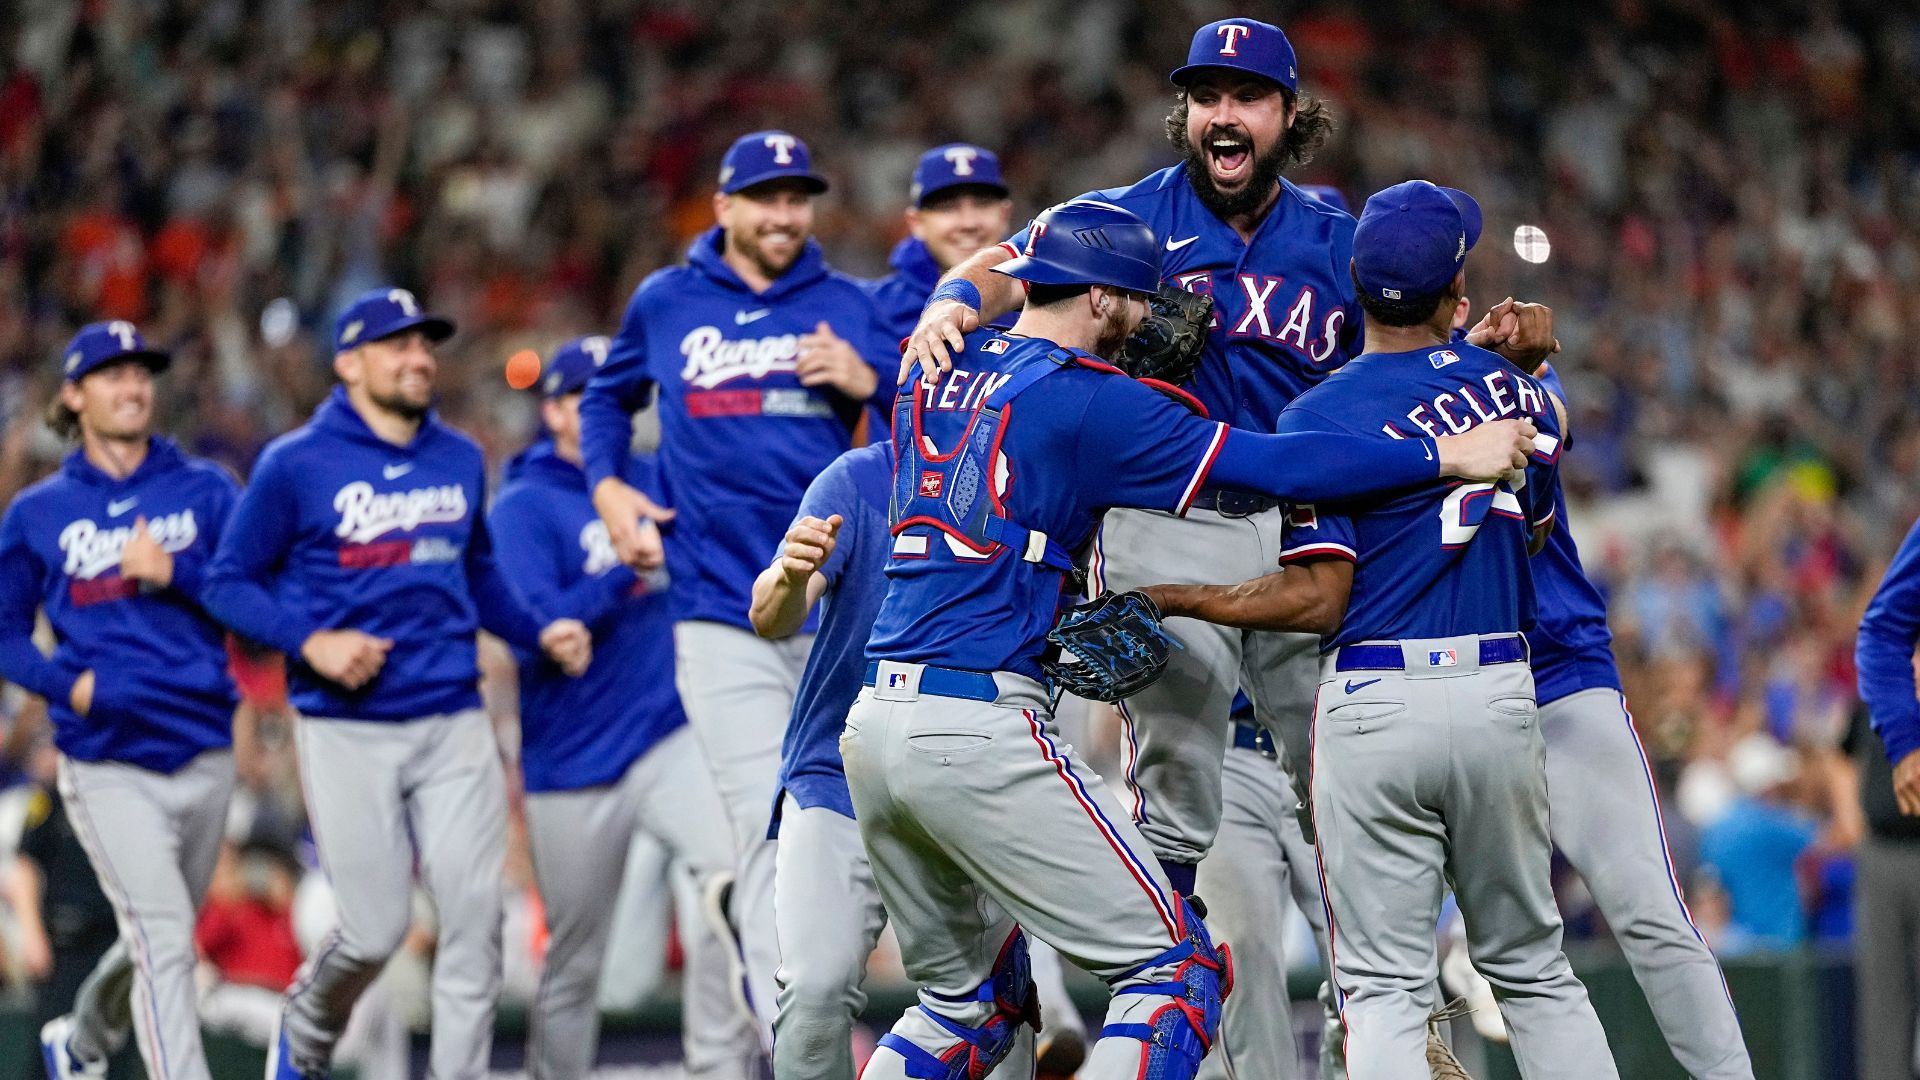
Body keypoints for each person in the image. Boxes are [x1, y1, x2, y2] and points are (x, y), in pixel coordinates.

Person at [902, 21, 1557, 972]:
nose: (1223, 112)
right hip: (1168, 523)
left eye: (1247, 95)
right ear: (1186, 112)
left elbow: (1420, 342)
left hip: (1307, 521)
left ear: (1289, 115)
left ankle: (1382, 997)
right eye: (1207, 94)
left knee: (1333, 760)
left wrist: (1491, 354)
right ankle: (1164, 982)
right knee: (1175, 767)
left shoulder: (1340, 240)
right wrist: (946, 305)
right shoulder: (1126, 219)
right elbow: (996, 271)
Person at [846, 197, 1535, 1080]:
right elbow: (1275, 465)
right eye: (1138, 296)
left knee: (961, 1010)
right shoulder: (1098, 402)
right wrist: (1445, 455)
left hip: (876, 724)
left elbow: (992, 301)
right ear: (1097, 299)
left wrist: (951, 293)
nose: (1155, 318)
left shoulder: (930, 365)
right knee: (1177, 973)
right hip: (977, 722)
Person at [1133, 181, 1617, 1080]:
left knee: (1384, 989)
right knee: (1535, 972)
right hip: (1494, 690)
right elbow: (1540, 527)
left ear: (1351, 287)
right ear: (1457, 294)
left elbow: (1316, 598)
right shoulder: (1517, 392)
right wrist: (1516, 374)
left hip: (1370, 699)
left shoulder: (1314, 416)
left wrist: (1181, 595)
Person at [200, 287, 593, 1080]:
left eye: (424, 345)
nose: (418, 358)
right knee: (374, 930)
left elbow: (477, 572)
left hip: (452, 716)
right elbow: (226, 583)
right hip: (346, 724)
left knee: (475, 920)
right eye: (396, 345)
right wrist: (311, 640)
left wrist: (535, 628)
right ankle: (306, 1025)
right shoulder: (295, 465)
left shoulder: (454, 454)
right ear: (348, 361)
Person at [581, 130, 896, 1032]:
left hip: (842, 618)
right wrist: (609, 488)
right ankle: (799, 1037)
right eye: (766, 197)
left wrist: (866, 377)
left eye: (799, 197)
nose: (785, 215)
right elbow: (607, 399)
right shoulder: (667, 302)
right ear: (724, 208)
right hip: (720, 610)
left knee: (854, 822)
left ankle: (809, 981)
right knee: (772, 820)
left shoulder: (848, 304)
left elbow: (918, 424)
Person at [488, 337, 755, 1080]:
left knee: (732, 888)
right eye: (584, 396)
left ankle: (719, 1067)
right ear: (554, 410)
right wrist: (624, 572)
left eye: (616, 392)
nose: (603, 407)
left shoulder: (657, 475)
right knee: (576, 959)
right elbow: (540, 628)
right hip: (574, 761)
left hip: (669, 735)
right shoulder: (523, 505)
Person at [0, 321, 241, 1080]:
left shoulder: (206, 489)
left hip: (203, 747)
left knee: (150, 937)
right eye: (111, 374)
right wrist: (64, 685)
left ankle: (79, 1045)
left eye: (141, 373)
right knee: (166, 940)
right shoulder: (39, 512)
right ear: (74, 396)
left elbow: (255, 608)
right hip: (105, 758)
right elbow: (5, 632)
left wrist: (180, 574)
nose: (133, 386)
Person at [864, 143, 1014, 346]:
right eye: (947, 208)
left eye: (982, 204)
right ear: (916, 223)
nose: (968, 223)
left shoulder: (1045, 303)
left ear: (1004, 215)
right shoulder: (870, 310)